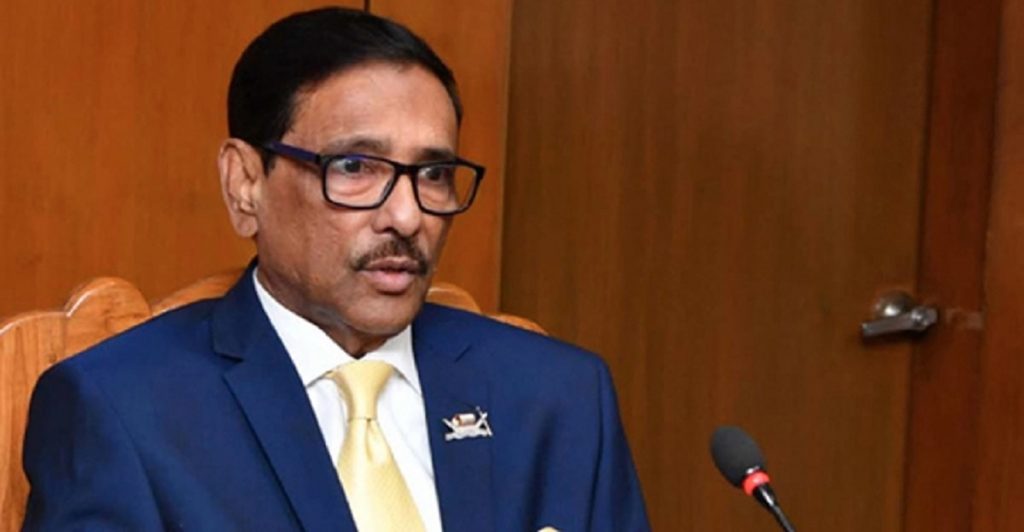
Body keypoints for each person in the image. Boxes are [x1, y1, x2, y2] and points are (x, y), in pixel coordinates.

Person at [22, 7, 649, 531]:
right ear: (245, 184)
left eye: (433, 174)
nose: (407, 216)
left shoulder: (559, 398)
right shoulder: (121, 408)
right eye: (354, 168)